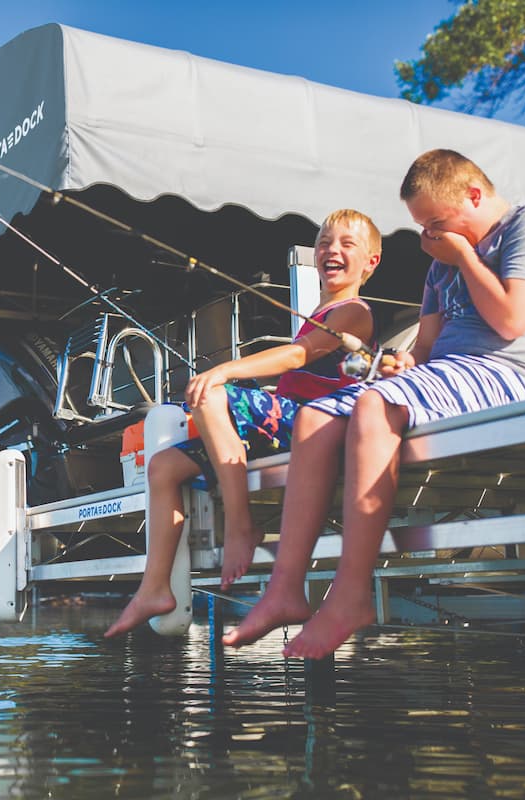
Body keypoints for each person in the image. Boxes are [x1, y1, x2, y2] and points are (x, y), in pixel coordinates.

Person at [222, 149, 525, 658]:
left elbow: (513, 320)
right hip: (449, 376)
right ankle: (285, 588)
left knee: (372, 408)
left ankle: (350, 596)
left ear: (474, 196)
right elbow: (425, 350)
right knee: (317, 416)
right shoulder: (441, 264)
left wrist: (466, 258)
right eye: (422, 227)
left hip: (516, 373)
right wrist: (400, 364)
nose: (429, 237)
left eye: (435, 222)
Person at [105, 209, 382, 638]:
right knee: (164, 466)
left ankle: (240, 523)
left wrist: (224, 371)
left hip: (317, 427)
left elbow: (298, 356)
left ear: (371, 261)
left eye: (348, 243)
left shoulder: (354, 312)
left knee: (211, 392)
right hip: (283, 424)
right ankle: (155, 587)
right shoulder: (318, 313)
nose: (332, 249)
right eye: (326, 241)